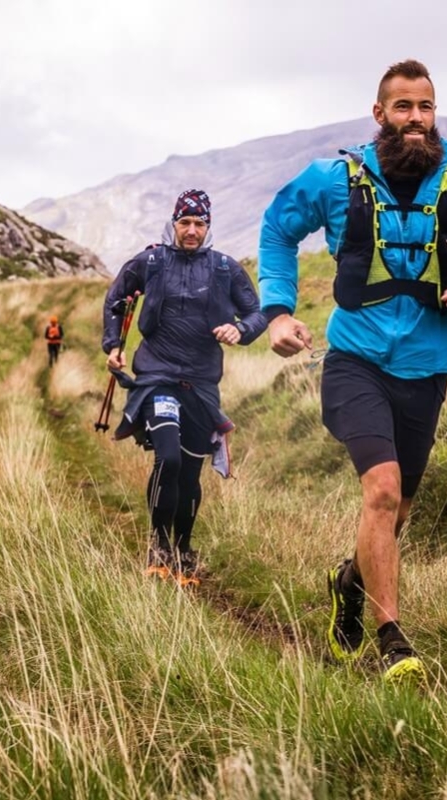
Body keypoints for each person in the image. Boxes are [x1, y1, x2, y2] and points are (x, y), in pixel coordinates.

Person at [258, 59, 447, 684]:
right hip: (355, 360)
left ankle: (349, 583)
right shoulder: (334, 180)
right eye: (403, 107)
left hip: (428, 368)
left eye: (425, 107)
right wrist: (278, 312)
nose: (415, 118)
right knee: (380, 491)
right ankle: (393, 644)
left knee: (398, 511)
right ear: (379, 114)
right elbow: (277, 230)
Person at [102, 189, 267, 586]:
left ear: (208, 226)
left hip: (202, 383)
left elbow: (257, 313)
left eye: (199, 223)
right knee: (170, 459)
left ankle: (183, 549)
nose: (192, 230)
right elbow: (116, 299)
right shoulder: (151, 261)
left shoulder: (225, 268)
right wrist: (113, 346)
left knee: (191, 471)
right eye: (185, 222)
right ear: (174, 223)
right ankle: (159, 546)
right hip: (157, 377)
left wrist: (240, 330)